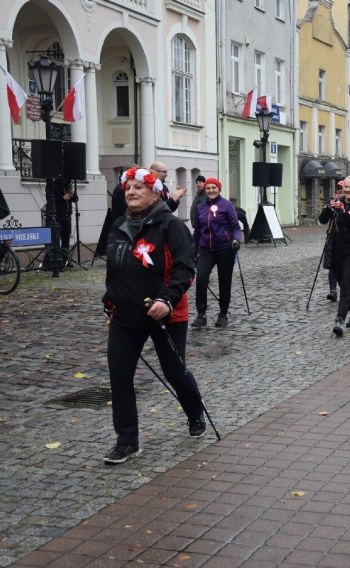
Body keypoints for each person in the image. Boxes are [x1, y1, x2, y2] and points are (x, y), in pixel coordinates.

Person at [101, 167, 204, 464]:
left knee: (175, 372)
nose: (131, 192)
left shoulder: (171, 226)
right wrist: (109, 297)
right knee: (120, 375)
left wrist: (167, 300)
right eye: (128, 187)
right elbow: (115, 267)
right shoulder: (119, 224)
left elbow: (186, 268)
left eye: (138, 188)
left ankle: (195, 411)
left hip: (164, 314)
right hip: (125, 314)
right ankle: (127, 441)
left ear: (155, 191)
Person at [318, 175, 350, 336]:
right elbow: (322, 220)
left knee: (346, 286)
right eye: (345, 187)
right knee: (344, 286)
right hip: (336, 251)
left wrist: (343, 212)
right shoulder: (337, 204)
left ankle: (339, 320)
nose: (347, 190)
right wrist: (329, 207)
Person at [191, 178, 242, 328]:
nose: (211, 190)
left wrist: (236, 240)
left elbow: (235, 227)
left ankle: (223, 314)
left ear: (219, 189)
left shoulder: (226, 205)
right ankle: (201, 315)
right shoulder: (200, 207)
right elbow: (198, 231)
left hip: (225, 248)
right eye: (208, 188)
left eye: (214, 188)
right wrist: (194, 251)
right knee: (201, 279)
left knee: (224, 281)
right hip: (206, 249)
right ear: (204, 190)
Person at [111, 162, 188, 220]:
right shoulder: (121, 190)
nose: (131, 192)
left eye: (138, 187)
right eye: (164, 172)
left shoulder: (162, 187)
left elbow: (164, 209)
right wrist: (173, 200)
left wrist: (175, 199)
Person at [326, 181, 345, 302]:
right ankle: (332, 290)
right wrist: (329, 208)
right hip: (333, 237)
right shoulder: (333, 203)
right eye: (337, 190)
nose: (339, 192)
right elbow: (322, 219)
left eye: (341, 190)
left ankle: (345, 289)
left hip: (345, 240)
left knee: (344, 266)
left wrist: (342, 209)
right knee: (332, 265)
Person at [52, 176, 78, 252]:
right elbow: (52, 201)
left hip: (67, 217)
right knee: (56, 239)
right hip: (58, 217)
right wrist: (63, 198)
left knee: (66, 239)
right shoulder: (54, 187)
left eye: (66, 180)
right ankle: (58, 259)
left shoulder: (68, 186)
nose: (64, 182)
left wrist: (74, 194)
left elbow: (75, 200)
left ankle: (65, 259)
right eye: (63, 180)